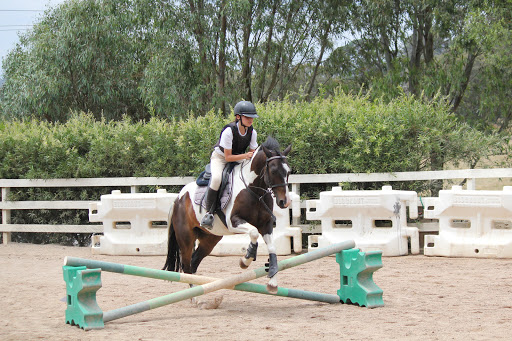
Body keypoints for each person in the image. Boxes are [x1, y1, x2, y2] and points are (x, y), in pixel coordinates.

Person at [200, 100, 259, 228]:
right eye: (247, 117)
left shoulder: (252, 132)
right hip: (220, 158)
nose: (251, 120)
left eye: (252, 117)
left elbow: (252, 154)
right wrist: (245, 156)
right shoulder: (229, 131)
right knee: (216, 179)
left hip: (239, 157)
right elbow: (228, 157)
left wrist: (249, 159)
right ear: (238, 117)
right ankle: (208, 214)